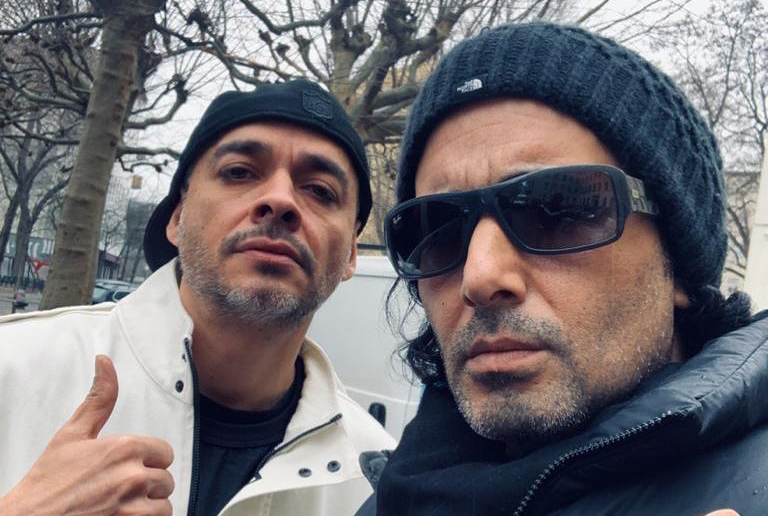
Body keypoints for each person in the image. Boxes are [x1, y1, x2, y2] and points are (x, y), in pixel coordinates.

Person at [355, 23, 768, 516]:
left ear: (676, 263)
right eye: (438, 229)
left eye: (557, 209)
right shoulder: (387, 499)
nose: (480, 276)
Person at [0, 79, 395, 516]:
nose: (280, 200)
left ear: (351, 254)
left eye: (320, 190)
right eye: (239, 172)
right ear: (177, 218)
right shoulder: (12, 367)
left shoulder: (378, 482)